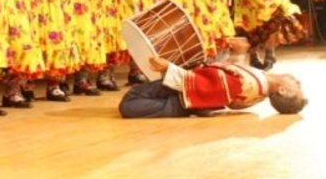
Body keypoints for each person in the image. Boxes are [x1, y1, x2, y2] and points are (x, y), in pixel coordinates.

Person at [119, 37, 308, 118]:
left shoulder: (249, 85)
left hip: (180, 100)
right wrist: (236, 54)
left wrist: (169, 67)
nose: (297, 80)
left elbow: (206, 85)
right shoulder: (259, 83)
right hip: (185, 94)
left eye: (296, 85)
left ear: (282, 90)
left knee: (129, 103)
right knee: (134, 97)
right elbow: (226, 75)